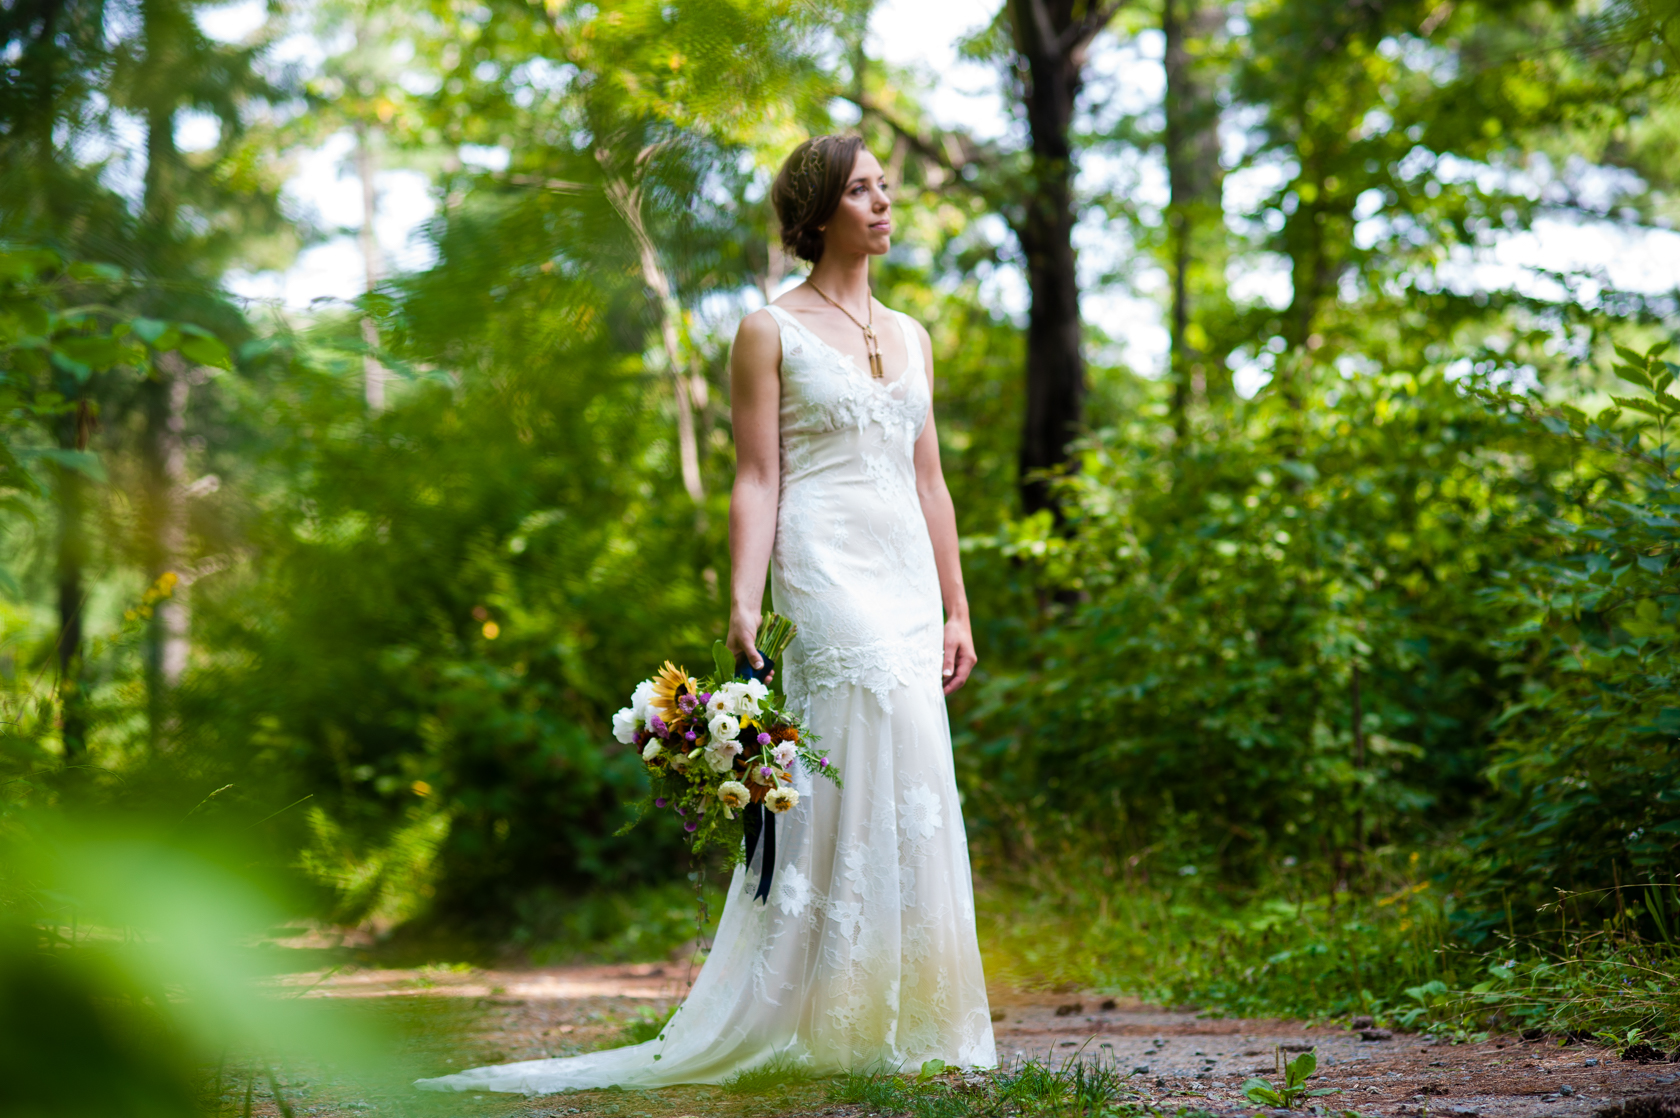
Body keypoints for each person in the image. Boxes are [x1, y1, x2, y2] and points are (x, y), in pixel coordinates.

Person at [416, 134, 995, 1094]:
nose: (884, 203)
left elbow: (930, 483)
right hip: (822, 568)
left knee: (917, 765)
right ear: (817, 213)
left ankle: (917, 1013)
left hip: (906, 577)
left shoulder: (914, 334)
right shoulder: (768, 330)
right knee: (842, 759)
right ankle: (828, 1015)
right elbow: (758, 475)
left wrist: (958, 610)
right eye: (862, 190)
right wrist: (743, 600)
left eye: (886, 187)